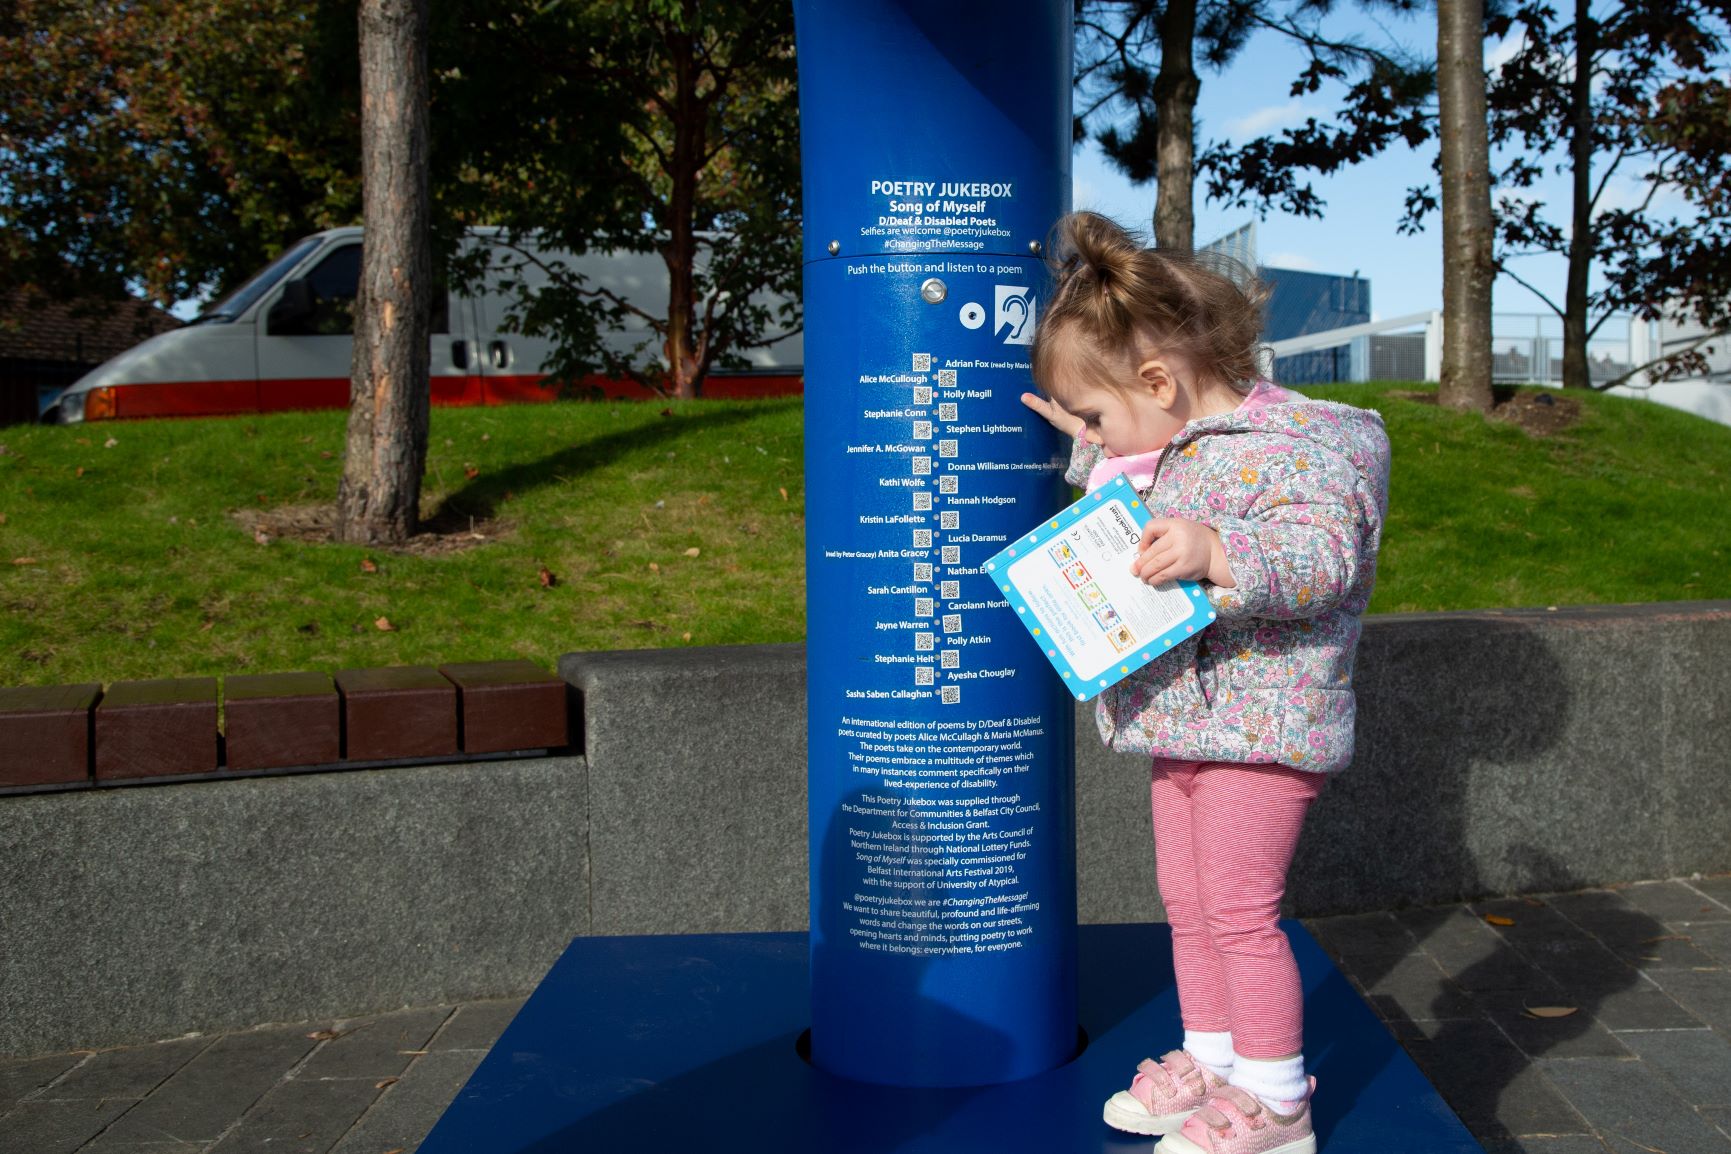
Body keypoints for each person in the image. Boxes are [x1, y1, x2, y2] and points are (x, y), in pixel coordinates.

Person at [1020, 212, 1390, 1154]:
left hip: (1263, 727)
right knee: (1188, 908)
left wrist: (1217, 550)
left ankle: (1275, 1104)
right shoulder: (1172, 438)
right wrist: (1088, 439)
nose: (1096, 434)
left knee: (1237, 914)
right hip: (1182, 719)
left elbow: (1321, 560)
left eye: (1099, 414)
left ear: (1156, 380)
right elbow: (1132, 494)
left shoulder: (1304, 444)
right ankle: (1212, 1065)